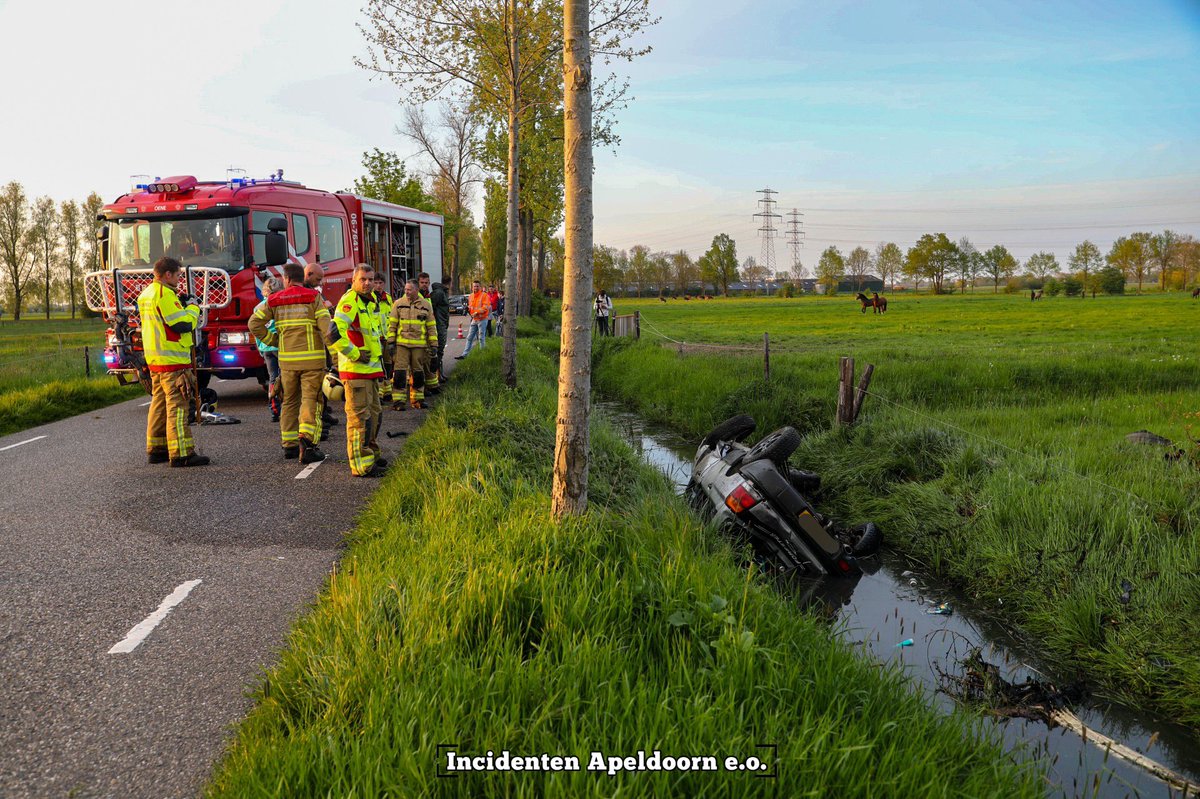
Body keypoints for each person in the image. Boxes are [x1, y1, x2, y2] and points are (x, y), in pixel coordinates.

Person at [248, 263, 332, 464]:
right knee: (311, 400)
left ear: (286, 279)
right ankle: (308, 444)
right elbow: (327, 330)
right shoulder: (314, 297)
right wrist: (336, 360)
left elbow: (253, 323)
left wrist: (273, 340)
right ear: (302, 278)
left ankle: (289, 445)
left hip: (287, 363)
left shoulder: (275, 300)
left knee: (289, 402)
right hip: (312, 362)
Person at [137, 256, 209, 467]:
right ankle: (182, 454)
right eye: (177, 275)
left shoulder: (147, 293)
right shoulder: (165, 294)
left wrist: (181, 304)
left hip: (156, 360)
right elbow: (182, 324)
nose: (179, 279)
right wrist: (193, 307)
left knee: (159, 405)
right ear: (167, 274)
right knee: (177, 407)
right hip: (173, 361)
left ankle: (157, 449)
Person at [328, 265, 387, 478]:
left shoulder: (370, 301)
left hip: (370, 371)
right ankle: (361, 465)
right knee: (359, 420)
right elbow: (333, 334)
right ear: (353, 280)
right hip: (355, 371)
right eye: (363, 279)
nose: (367, 283)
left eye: (370, 279)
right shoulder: (350, 301)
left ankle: (371, 455)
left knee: (374, 416)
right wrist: (355, 354)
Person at [388, 279, 438, 410]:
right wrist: (391, 342)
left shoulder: (426, 305)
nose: (406, 292)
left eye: (409, 290)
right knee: (399, 373)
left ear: (416, 290)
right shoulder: (398, 304)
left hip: (419, 347)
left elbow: (431, 327)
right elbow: (392, 324)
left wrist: (434, 345)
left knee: (418, 374)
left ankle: (417, 400)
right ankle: (398, 401)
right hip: (402, 345)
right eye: (405, 289)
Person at [304, 262, 337, 440]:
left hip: (317, 348)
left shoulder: (314, 292)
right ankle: (318, 426)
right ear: (308, 274)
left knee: (320, 387)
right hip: (311, 350)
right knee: (313, 394)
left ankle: (324, 415)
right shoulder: (307, 294)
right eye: (317, 279)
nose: (320, 283)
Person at [257, 277, 284, 421]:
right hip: (279, 345)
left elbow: (256, 329)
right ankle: (287, 407)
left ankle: (274, 409)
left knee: (273, 378)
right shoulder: (279, 305)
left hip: (266, 347)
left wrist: (260, 348)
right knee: (286, 377)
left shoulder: (258, 307)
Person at [418, 271, 448, 393]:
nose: (424, 285)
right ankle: (422, 388)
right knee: (420, 363)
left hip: (428, 333)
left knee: (429, 360)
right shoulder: (417, 297)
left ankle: (430, 385)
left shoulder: (428, 297)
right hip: (419, 335)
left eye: (426, 283)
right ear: (418, 283)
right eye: (422, 282)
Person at [372, 275, 394, 403]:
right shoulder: (370, 298)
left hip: (387, 337)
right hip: (376, 337)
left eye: (380, 283)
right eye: (375, 283)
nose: (378, 285)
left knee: (388, 364)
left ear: (384, 284)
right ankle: (379, 394)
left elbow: (392, 317)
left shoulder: (388, 298)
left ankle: (387, 391)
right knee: (378, 366)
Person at [457, 280, 490, 359]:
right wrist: (467, 309)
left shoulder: (484, 295)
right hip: (474, 319)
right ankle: (464, 355)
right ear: (472, 287)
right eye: (474, 286)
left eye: (477, 286)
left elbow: (485, 307)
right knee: (469, 337)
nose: (476, 287)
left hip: (482, 319)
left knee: (481, 338)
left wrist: (476, 312)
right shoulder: (471, 296)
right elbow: (471, 306)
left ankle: (482, 356)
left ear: (480, 287)